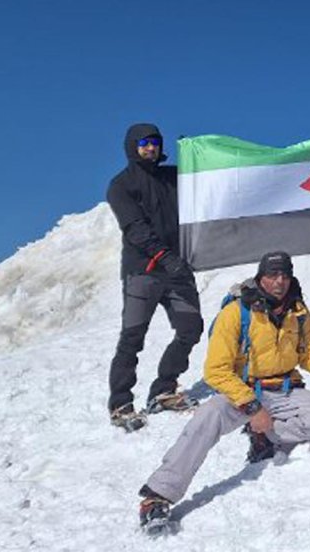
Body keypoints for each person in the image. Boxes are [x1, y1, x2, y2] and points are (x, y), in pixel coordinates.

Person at [136, 251, 310, 533]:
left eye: (284, 275)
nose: (279, 281)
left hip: (285, 388)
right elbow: (216, 371)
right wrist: (253, 408)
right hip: (242, 390)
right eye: (272, 275)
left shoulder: (298, 312)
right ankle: (158, 494)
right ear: (260, 277)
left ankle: (264, 436)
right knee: (208, 416)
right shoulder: (236, 313)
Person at [105, 123, 204, 431]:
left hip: (177, 273)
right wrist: (165, 257)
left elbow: (205, 183)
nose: (150, 148)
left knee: (191, 328)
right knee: (133, 336)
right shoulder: (121, 185)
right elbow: (135, 229)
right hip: (143, 273)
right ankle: (121, 403)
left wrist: (196, 158)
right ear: (132, 146)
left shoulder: (173, 177)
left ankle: (163, 389)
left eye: (155, 142)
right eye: (144, 143)